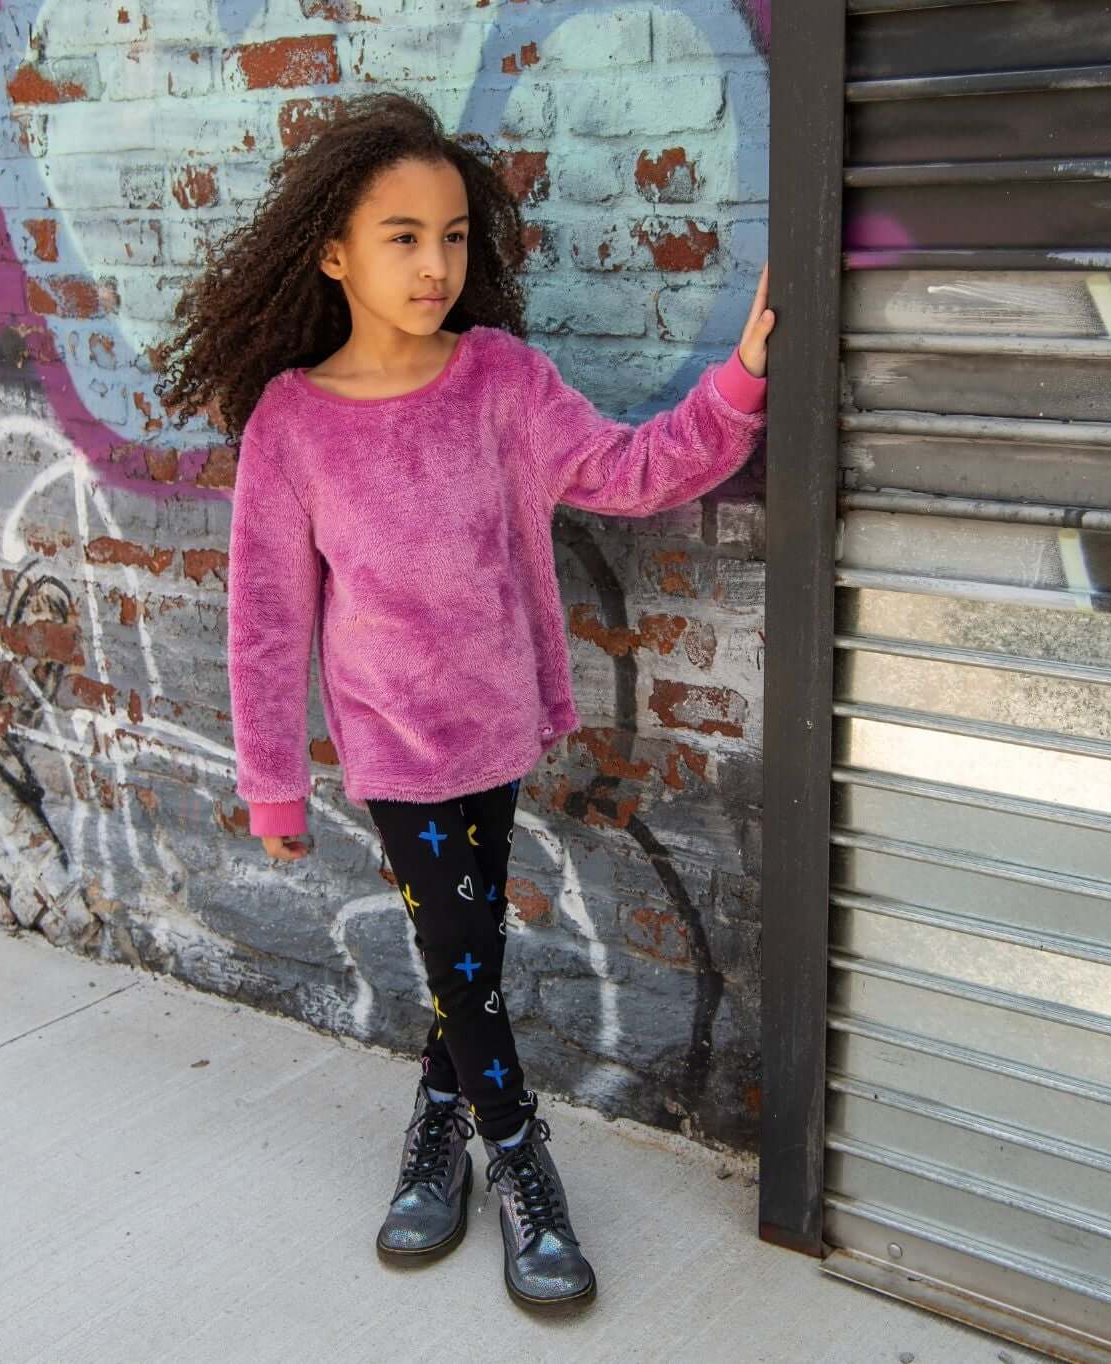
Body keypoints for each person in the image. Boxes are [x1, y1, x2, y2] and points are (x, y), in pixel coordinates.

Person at [149, 90, 773, 1312]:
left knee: (465, 956)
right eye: (401, 236)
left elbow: (630, 468)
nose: (435, 264)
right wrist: (271, 773)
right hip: (395, 749)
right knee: (462, 955)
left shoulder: (497, 380)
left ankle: (437, 1116)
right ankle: (521, 1159)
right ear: (333, 252)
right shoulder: (293, 422)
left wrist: (740, 378)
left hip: (495, 725)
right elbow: (267, 617)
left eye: (450, 235)